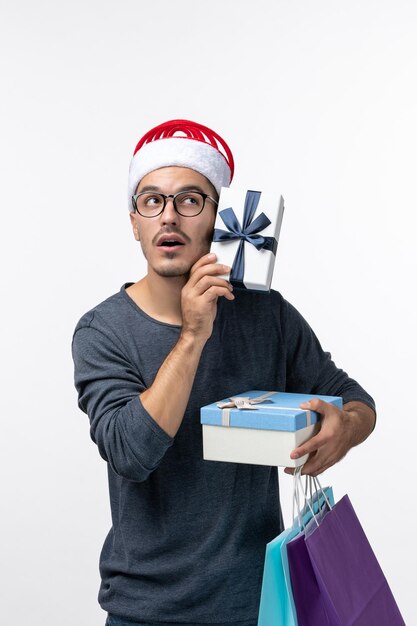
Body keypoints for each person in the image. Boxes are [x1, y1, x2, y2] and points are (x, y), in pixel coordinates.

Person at [72, 119, 376, 626]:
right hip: (146, 612)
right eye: (152, 201)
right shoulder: (103, 331)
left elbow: (354, 398)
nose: (169, 217)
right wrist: (192, 337)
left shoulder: (267, 315)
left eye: (191, 200)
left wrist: (345, 427)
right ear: (134, 221)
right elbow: (130, 452)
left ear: (219, 217)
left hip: (261, 605)